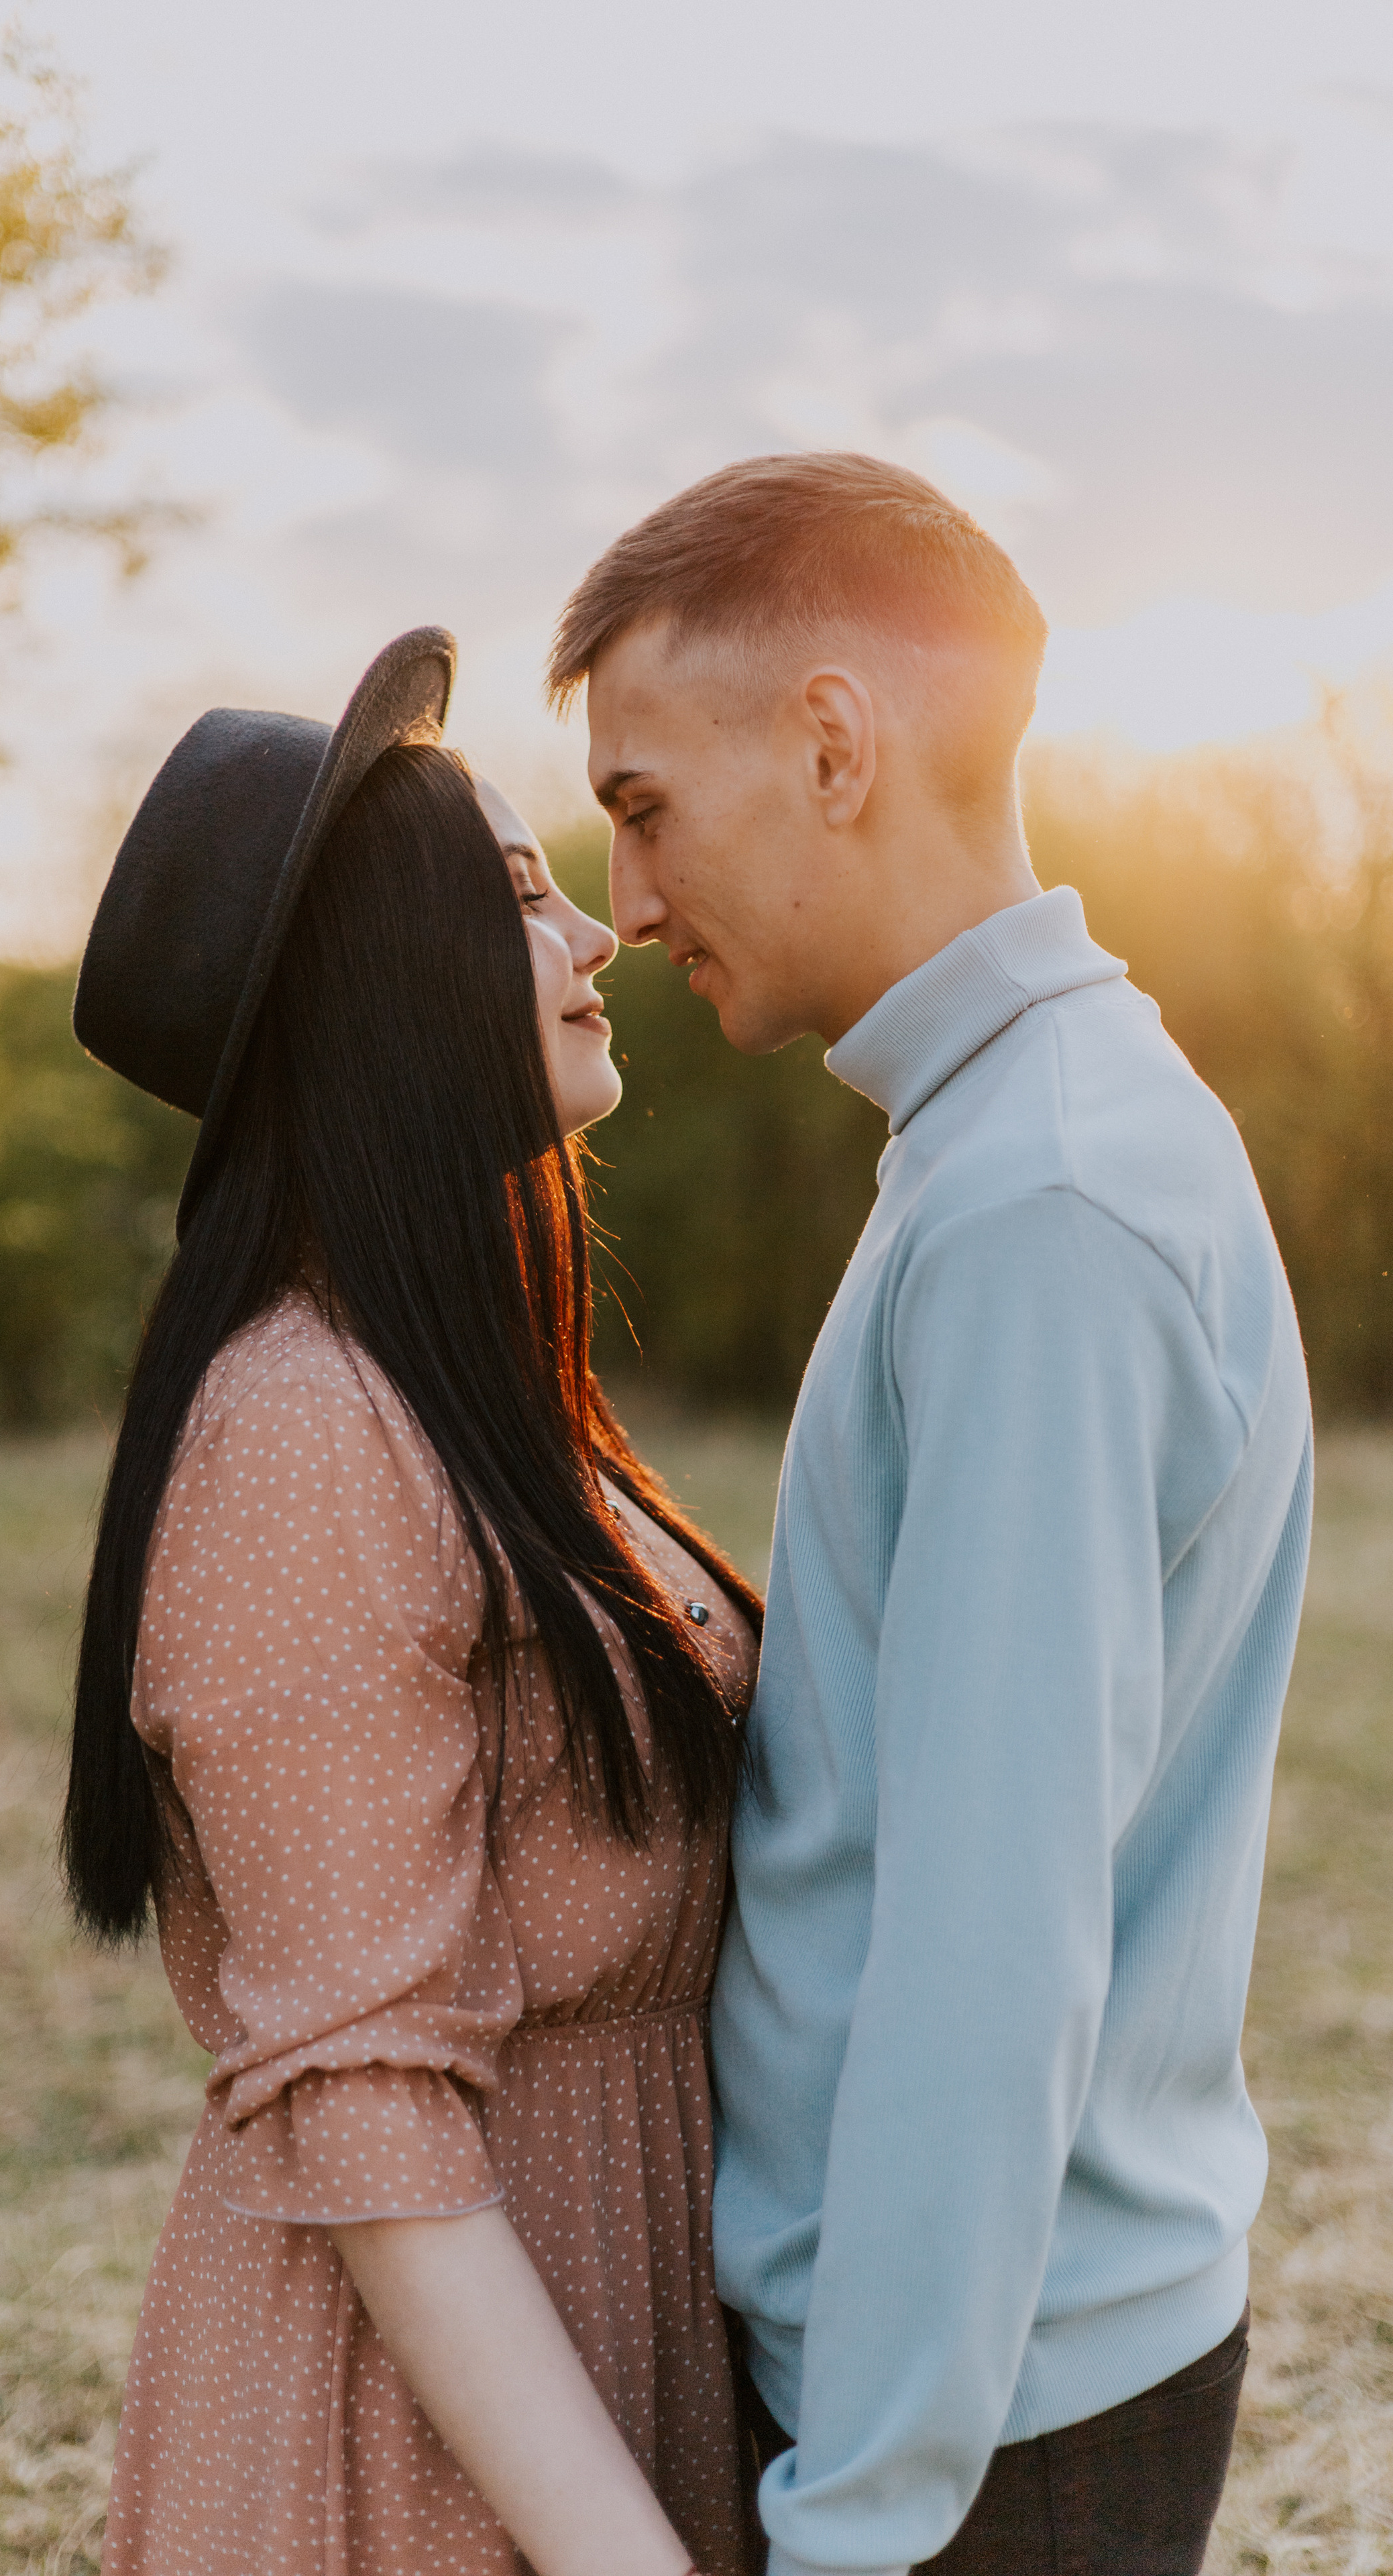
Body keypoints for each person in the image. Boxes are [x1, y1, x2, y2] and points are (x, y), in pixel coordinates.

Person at [547, 457, 1313, 2576]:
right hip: (993, 2387)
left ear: (830, 744)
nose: (624, 893)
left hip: (981, 2439)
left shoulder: (1039, 1208)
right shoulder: (1017, 1142)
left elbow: (991, 1947)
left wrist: (864, 2516)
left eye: (643, 802)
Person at [63, 629, 763, 2576]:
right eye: (525, 895)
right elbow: (371, 2116)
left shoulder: (489, 1398)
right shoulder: (302, 1428)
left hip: (593, 2348)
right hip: (423, 2443)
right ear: (387, 988)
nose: (598, 936)